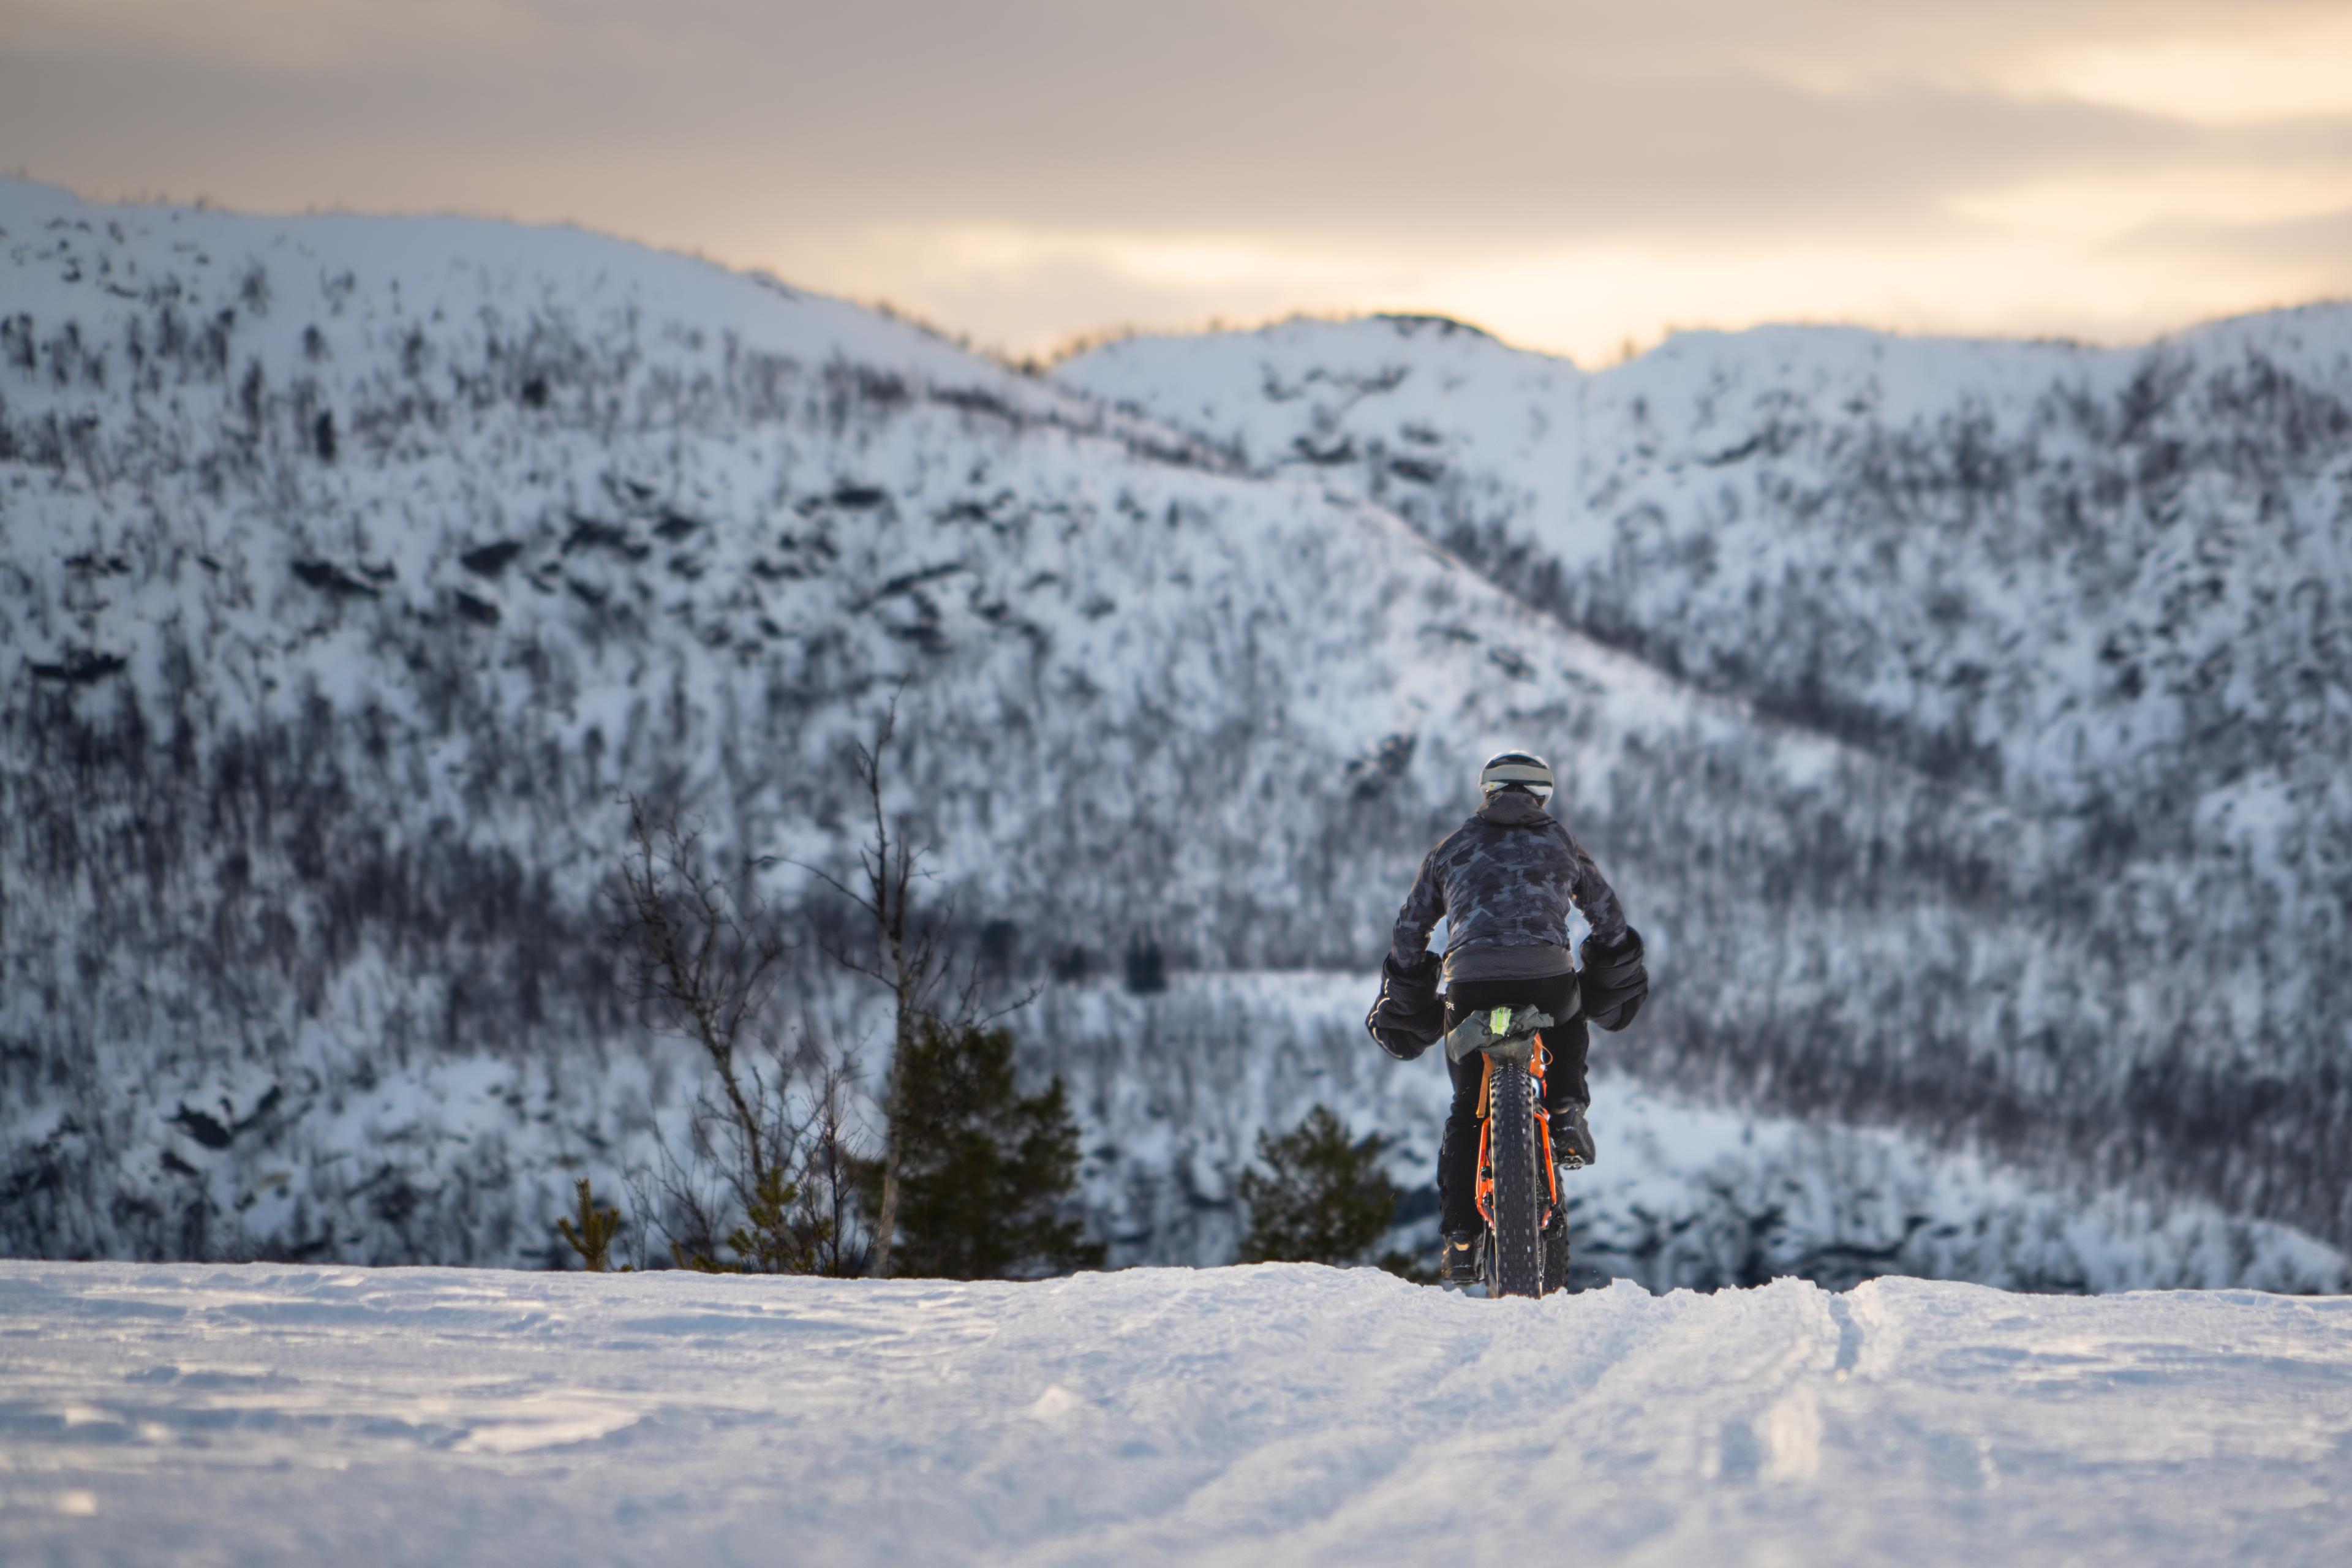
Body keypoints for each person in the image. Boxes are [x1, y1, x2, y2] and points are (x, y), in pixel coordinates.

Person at [1365, 750, 1647, 1285]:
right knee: (1569, 1021)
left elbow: (1411, 929)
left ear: (1487, 791)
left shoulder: (1451, 848)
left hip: (1470, 984)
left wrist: (1410, 981)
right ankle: (1564, 1110)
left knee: (1467, 1108)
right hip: (1546, 975)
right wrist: (1612, 955)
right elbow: (1606, 915)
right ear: (1540, 796)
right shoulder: (1560, 841)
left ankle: (1463, 1238)